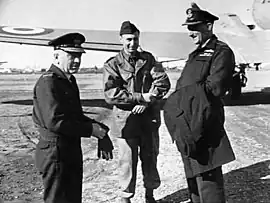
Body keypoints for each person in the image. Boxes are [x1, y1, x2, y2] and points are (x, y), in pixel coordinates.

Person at [163, 3, 236, 203]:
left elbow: (215, 88)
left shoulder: (221, 52)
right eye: (189, 28)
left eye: (194, 27)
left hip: (205, 127)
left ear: (209, 26)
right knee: (195, 187)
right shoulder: (195, 54)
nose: (190, 32)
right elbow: (188, 87)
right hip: (189, 128)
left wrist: (179, 99)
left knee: (209, 187)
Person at [32, 32, 114, 203]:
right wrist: (91, 130)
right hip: (55, 153)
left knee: (72, 198)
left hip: (69, 150)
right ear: (56, 56)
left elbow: (75, 115)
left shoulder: (68, 80)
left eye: (79, 56)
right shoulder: (49, 82)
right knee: (58, 199)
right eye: (71, 56)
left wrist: (99, 130)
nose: (77, 61)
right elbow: (55, 121)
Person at [103, 21, 171, 203]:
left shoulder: (149, 59)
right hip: (125, 123)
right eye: (128, 39)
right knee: (126, 163)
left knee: (150, 159)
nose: (132, 43)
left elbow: (163, 83)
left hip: (149, 121)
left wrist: (148, 103)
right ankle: (126, 198)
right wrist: (141, 98)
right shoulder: (112, 64)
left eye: (135, 39)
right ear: (121, 40)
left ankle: (150, 195)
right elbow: (111, 94)